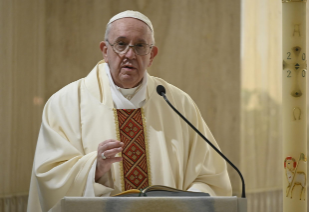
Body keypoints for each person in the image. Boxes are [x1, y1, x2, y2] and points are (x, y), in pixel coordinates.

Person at [27, 10, 232, 212]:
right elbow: (49, 176)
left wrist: (184, 205)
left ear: (152, 55)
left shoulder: (178, 103)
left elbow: (210, 177)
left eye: (140, 46)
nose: (129, 54)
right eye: (121, 44)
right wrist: (94, 168)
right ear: (105, 50)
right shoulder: (65, 102)